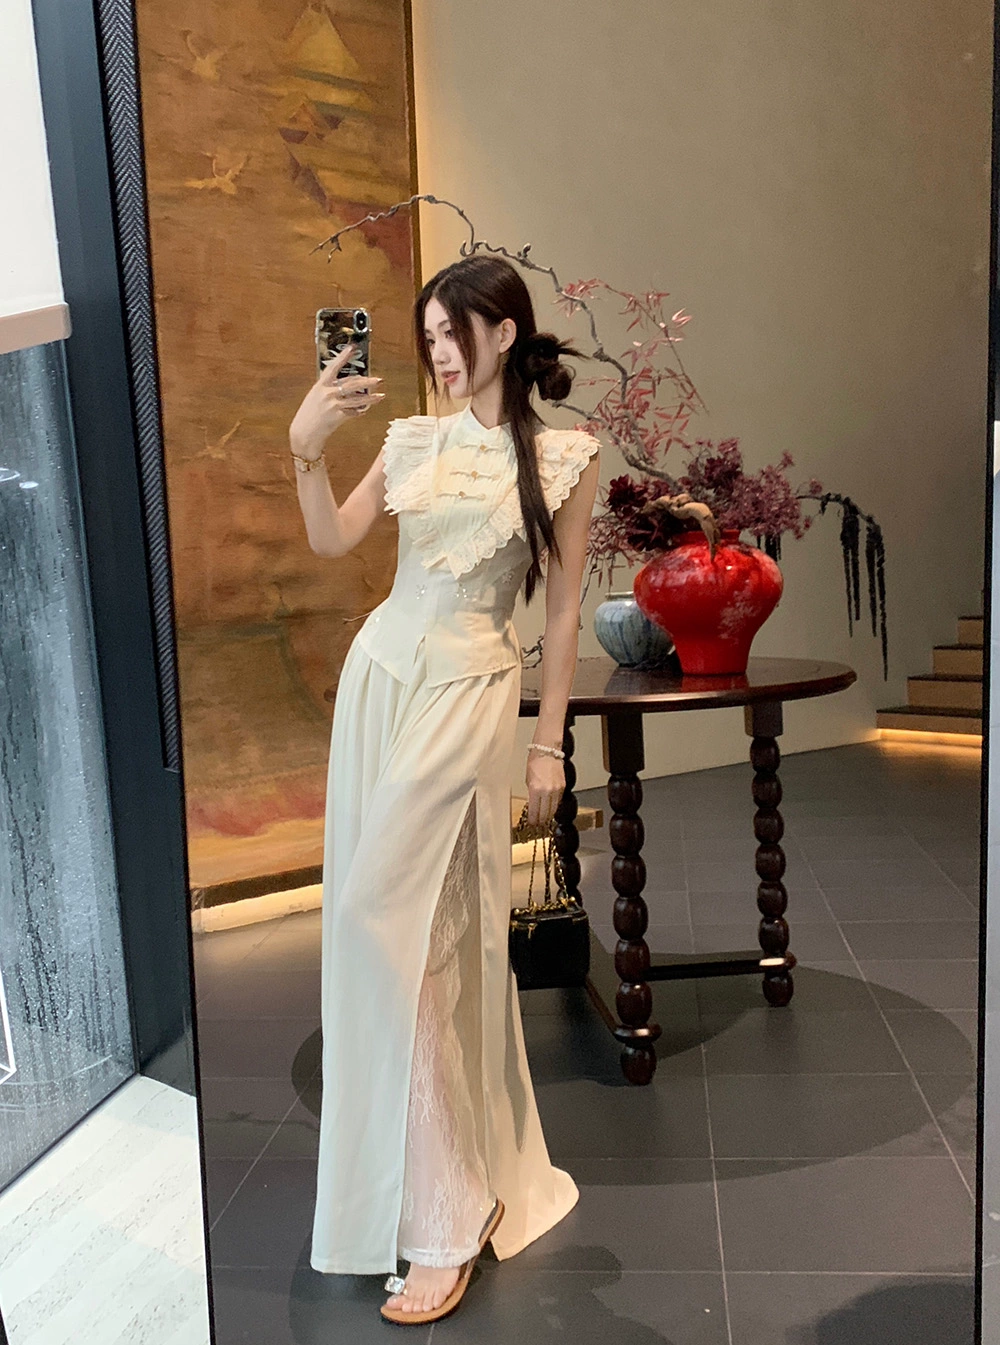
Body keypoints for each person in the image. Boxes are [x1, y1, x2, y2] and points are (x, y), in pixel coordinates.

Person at [288, 253, 601, 1324]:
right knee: (411, 933)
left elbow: (562, 611)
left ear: (503, 332)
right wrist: (304, 447)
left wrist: (549, 745)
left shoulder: (562, 458)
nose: (437, 355)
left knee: (386, 916)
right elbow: (332, 538)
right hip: (381, 679)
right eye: (426, 339)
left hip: (470, 690)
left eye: (450, 334)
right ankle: (438, 1195)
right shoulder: (411, 440)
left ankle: (449, 1208)